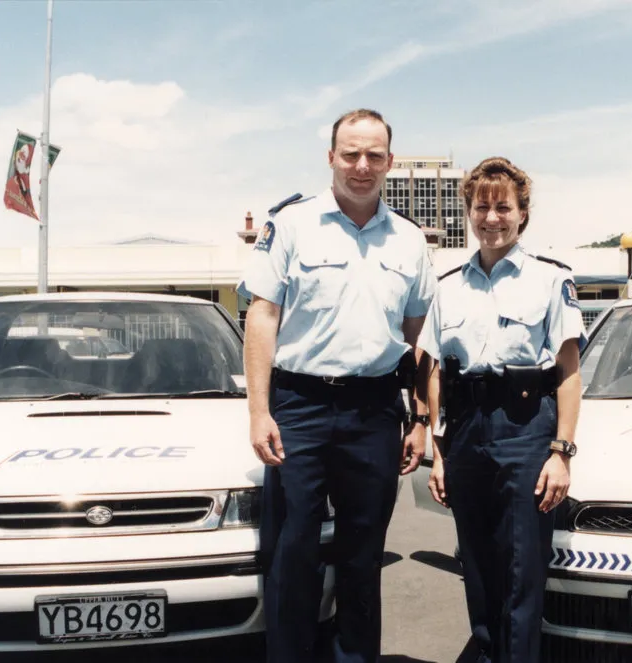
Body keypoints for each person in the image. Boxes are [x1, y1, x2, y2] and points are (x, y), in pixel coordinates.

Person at [238, 108, 437, 663]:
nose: (362, 165)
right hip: (299, 405)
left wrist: (421, 420)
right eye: (351, 153)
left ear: (390, 163)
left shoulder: (409, 240)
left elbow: (421, 339)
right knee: (294, 550)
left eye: (374, 155)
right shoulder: (293, 225)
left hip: (375, 410)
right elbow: (262, 317)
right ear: (331, 157)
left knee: (362, 556)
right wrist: (259, 412)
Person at [419, 157, 583, 663]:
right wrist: (440, 451)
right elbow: (433, 371)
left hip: (526, 429)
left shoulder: (550, 281)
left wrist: (561, 452)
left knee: (520, 571)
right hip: (466, 431)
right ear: (469, 212)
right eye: (481, 206)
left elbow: (569, 371)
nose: (492, 217)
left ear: (522, 215)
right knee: (477, 564)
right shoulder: (446, 286)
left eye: (503, 207)